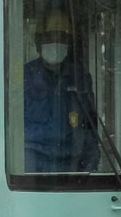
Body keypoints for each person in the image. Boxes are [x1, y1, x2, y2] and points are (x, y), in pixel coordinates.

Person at [23, 11, 101, 173]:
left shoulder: (80, 77)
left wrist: (91, 160)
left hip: (72, 164)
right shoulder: (24, 76)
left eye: (62, 38)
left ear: (69, 44)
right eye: (50, 38)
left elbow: (90, 123)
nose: (56, 43)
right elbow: (11, 125)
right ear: (39, 43)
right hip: (33, 164)